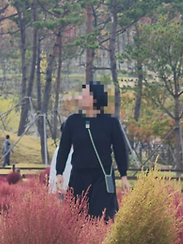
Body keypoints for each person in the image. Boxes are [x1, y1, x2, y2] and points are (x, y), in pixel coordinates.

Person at [56, 82, 130, 220]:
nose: (81, 97)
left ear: (96, 97)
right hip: (78, 176)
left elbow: (120, 150)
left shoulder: (111, 122)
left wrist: (123, 175)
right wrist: (59, 172)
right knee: (76, 217)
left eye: (86, 95)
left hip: (102, 177)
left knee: (102, 217)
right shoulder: (73, 121)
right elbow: (64, 148)